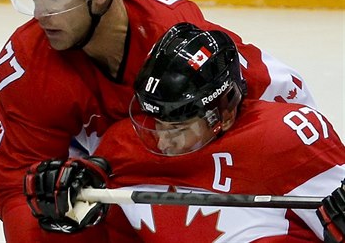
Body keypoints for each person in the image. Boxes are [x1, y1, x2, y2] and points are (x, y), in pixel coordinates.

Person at [0, 0, 319, 243]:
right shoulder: (28, 63)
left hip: (196, 166)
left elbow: (279, 109)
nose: (40, 12)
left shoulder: (174, 35)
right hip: (109, 177)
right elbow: (18, 185)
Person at [24, 22, 345, 242]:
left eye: (178, 126)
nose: (161, 140)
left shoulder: (286, 137)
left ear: (225, 110)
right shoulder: (122, 145)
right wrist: (66, 210)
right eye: (154, 122)